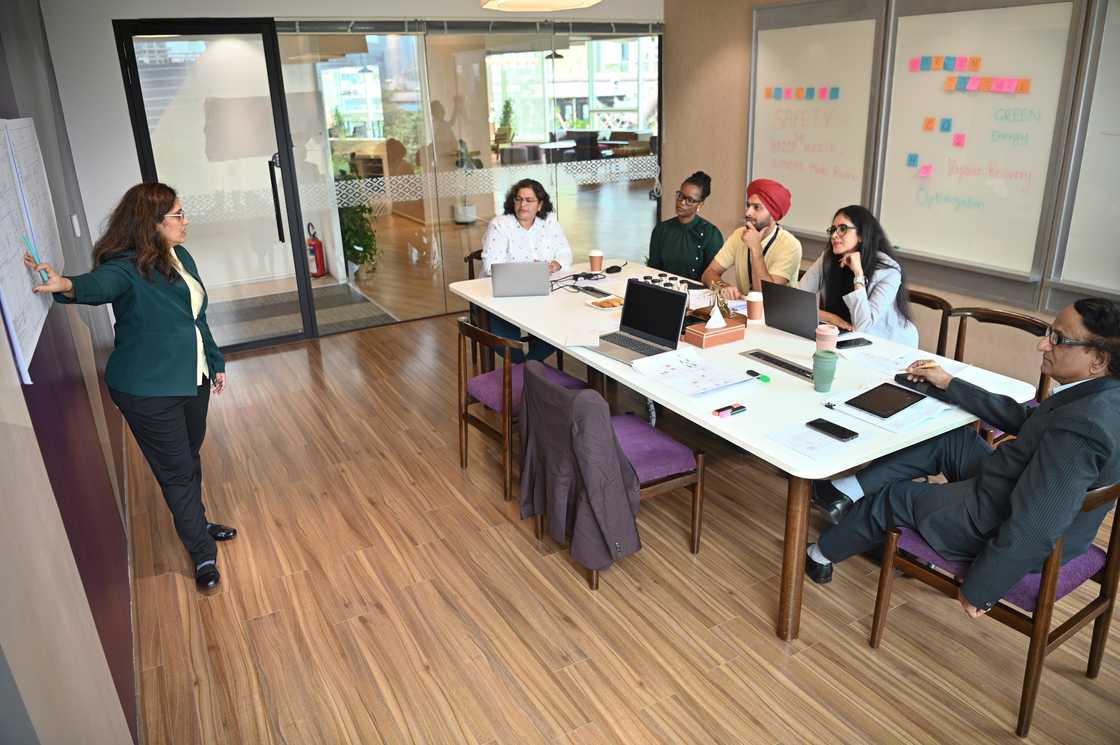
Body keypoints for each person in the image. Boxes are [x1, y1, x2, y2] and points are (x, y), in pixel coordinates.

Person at [805, 298, 1120, 619]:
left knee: (894, 497)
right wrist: (948, 383)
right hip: (1014, 481)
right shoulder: (1099, 396)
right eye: (1048, 333)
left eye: (1058, 339)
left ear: (1097, 361)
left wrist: (982, 590)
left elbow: (1038, 523)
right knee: (949, 439)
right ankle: (845, 491)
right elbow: (1030, 421)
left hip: (1003, 517)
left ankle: (820, 553)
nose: (1043, 345)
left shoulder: (1084, 425)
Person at [24, 183, 236, 591]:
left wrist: (215, 360)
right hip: (147, 388)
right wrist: (65, 284)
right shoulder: (124, 267)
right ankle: (201, 552)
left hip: (192, 377)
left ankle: (199, 522)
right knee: (175, 471)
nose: (185, 219)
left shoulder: (181, 256)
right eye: (177, 214)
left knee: (188, 456)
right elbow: (95, 286)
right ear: (151, 223)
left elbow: (198, 316)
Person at [479, 178, 572, 361]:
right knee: (506, 338)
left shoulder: (550, 222)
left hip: (542, 289)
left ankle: (531, 364)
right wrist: (528, 270)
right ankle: (522, 364)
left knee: (562, 319)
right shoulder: (500, 225)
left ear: (540, 205)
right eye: (519, 199)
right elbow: (491, 266)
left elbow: (565, 252)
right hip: (504, 292)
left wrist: (555, 264)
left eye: (529, 200)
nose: (523, 204)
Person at [798, 205, 918, 346]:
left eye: (842, 229)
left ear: (861, 235)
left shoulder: (888, 271)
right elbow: (797, 300)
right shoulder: (828, 259)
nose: (834, 235)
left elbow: (863, 326)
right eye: (832, 230)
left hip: (888, 344)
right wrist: (831, 317)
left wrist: (858, 273)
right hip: (847, 338)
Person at [701, 178, 801, 299]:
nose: (748, 212)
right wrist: (722, 287)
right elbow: (708, 273)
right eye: (748, 205)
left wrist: (756, 249)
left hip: (776, 315)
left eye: (756, 207)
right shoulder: (739, 234)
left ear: (773, 213)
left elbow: (766, 297)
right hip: (743, 310)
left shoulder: (790, 245)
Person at [647, 171, 723, 281]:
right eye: (680, 195)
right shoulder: (661, 230)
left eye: (690, 200)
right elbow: (653, 270)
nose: (682, 202)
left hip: (697, 295)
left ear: (700, 204)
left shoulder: (711, 234)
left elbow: (712, 277)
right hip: (664, 292)